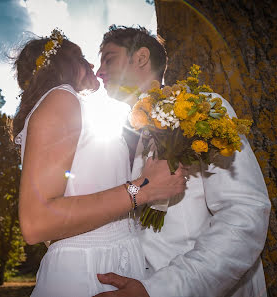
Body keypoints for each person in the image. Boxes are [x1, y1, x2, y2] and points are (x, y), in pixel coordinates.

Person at [94, 26, 271, 297]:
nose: (99, 71)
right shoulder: (123, 138)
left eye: (109, 58)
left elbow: (244, 214)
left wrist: (163, 289)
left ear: (141, 58)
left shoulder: (202, 109)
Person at [11, 29, 187, 297]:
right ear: (64, 64)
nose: (93, 65)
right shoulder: (61, 98)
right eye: (82, 57)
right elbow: (37, 222)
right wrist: (144, 189)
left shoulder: (68, 106)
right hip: (86, 270)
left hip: (113, 261)